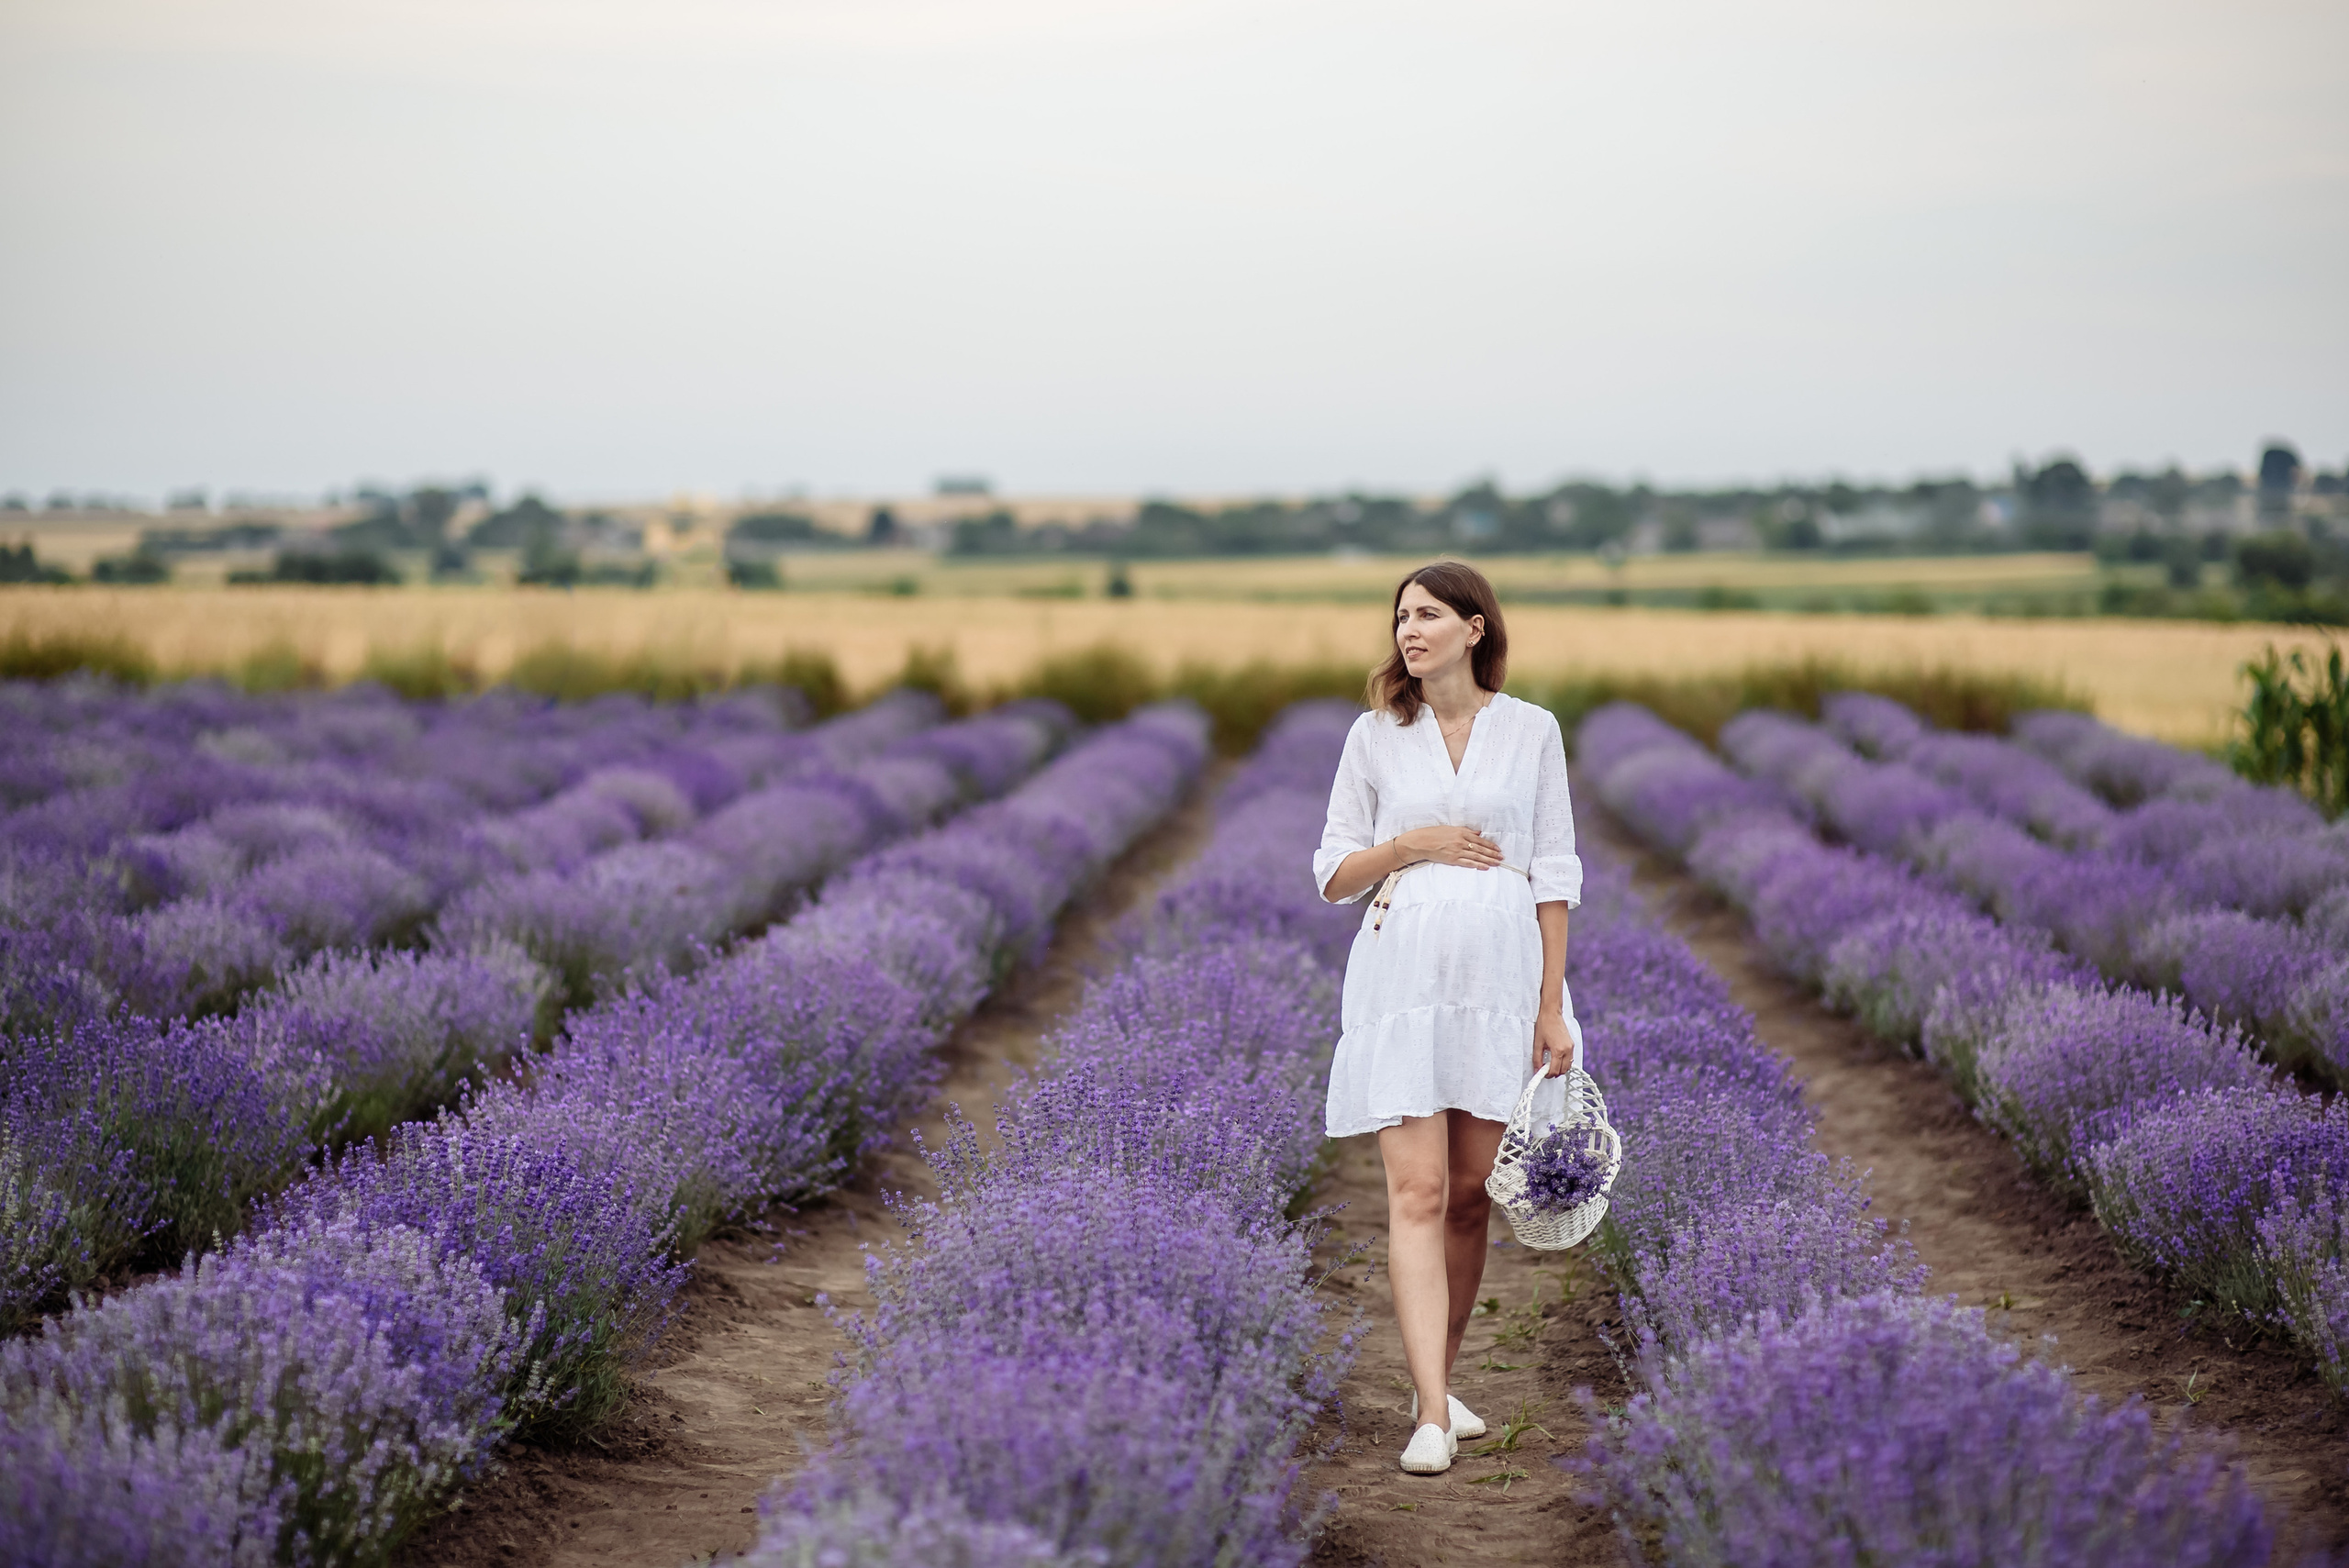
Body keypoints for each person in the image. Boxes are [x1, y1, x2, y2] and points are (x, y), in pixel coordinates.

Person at [1313, 561, 1583, 1476]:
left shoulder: (1533, 731)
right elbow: (1332, 871)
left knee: (1472, 1191)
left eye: (1427, 614)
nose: (1408, 630)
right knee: (1416, 1191)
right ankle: (1429, 1409)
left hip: (1501, 981)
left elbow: (1554, 871)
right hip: (1402, 979)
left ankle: (1447, 1379)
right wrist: (1410, 843)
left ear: (1476, 627)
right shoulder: (1373, 736)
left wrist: (1551, 1008)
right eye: (1400, 617)